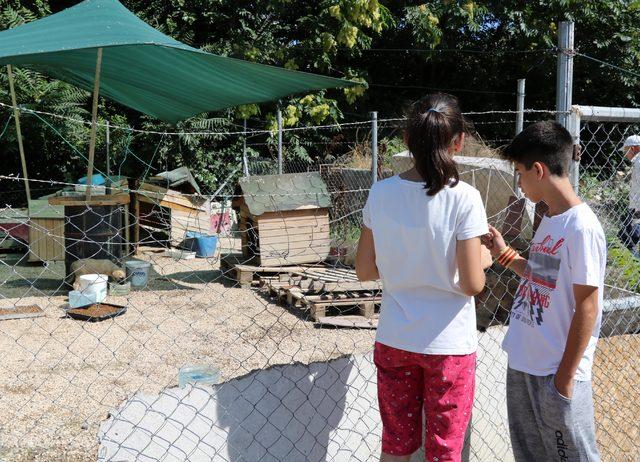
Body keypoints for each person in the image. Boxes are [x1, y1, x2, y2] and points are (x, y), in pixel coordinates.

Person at [355, 93, 492, 462]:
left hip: (395, 338)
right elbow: (471, 284)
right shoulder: (465, 198)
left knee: (396, 444)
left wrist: (405, 264)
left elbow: (365, 270)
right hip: (448, 346)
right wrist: (486, 256)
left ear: (405, 139)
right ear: (459, 141)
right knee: (444, 450)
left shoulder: (380, 193)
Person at [483, 121, 605, 461]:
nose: (519, 183)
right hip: (524, 365)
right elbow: (543, 277)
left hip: (555, 373)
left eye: (520, 173)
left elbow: (588, 307)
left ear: (538, 170)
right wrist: (503, 253)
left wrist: (564, 381)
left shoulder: (581, 228)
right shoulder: (552, 219)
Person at [618, 135, 640, 252]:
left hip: (637, 206)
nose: (625, 154)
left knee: (630, 234)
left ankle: (632, 258)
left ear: (633, 148)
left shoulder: (639, 162)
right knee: (627, 232)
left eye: (626, 151)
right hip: (635, 204)